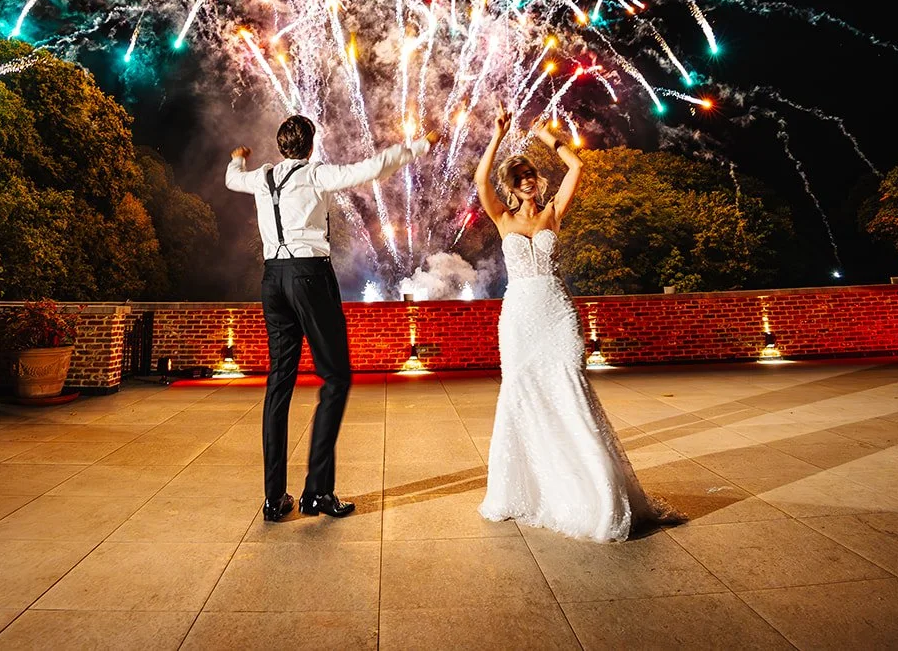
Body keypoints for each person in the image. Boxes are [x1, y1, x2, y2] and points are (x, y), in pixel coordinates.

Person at [475, 102, 680, 540]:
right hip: (519, 315)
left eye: (531, 174)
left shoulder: (552, 213)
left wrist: (546, 138)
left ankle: (596, 492)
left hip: (556, 309)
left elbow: (577, 165)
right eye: (519, 177)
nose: (528, 180)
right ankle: (532, 488)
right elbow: (479, 179)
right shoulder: (503, 217)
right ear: (510, 186)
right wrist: (497, 136)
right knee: (522, 390)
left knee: (570, 381)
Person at [227, 114, 436, 522]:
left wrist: (237, 159)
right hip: (309, 276)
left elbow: (234, 178)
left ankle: (274, 499)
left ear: (281, 145)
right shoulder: (317, 175)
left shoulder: (261, 177)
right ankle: (317, 493)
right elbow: (372, 168)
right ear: (309, 146)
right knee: (336, 377)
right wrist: (420, 145)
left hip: (272, 279)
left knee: (279, 384)